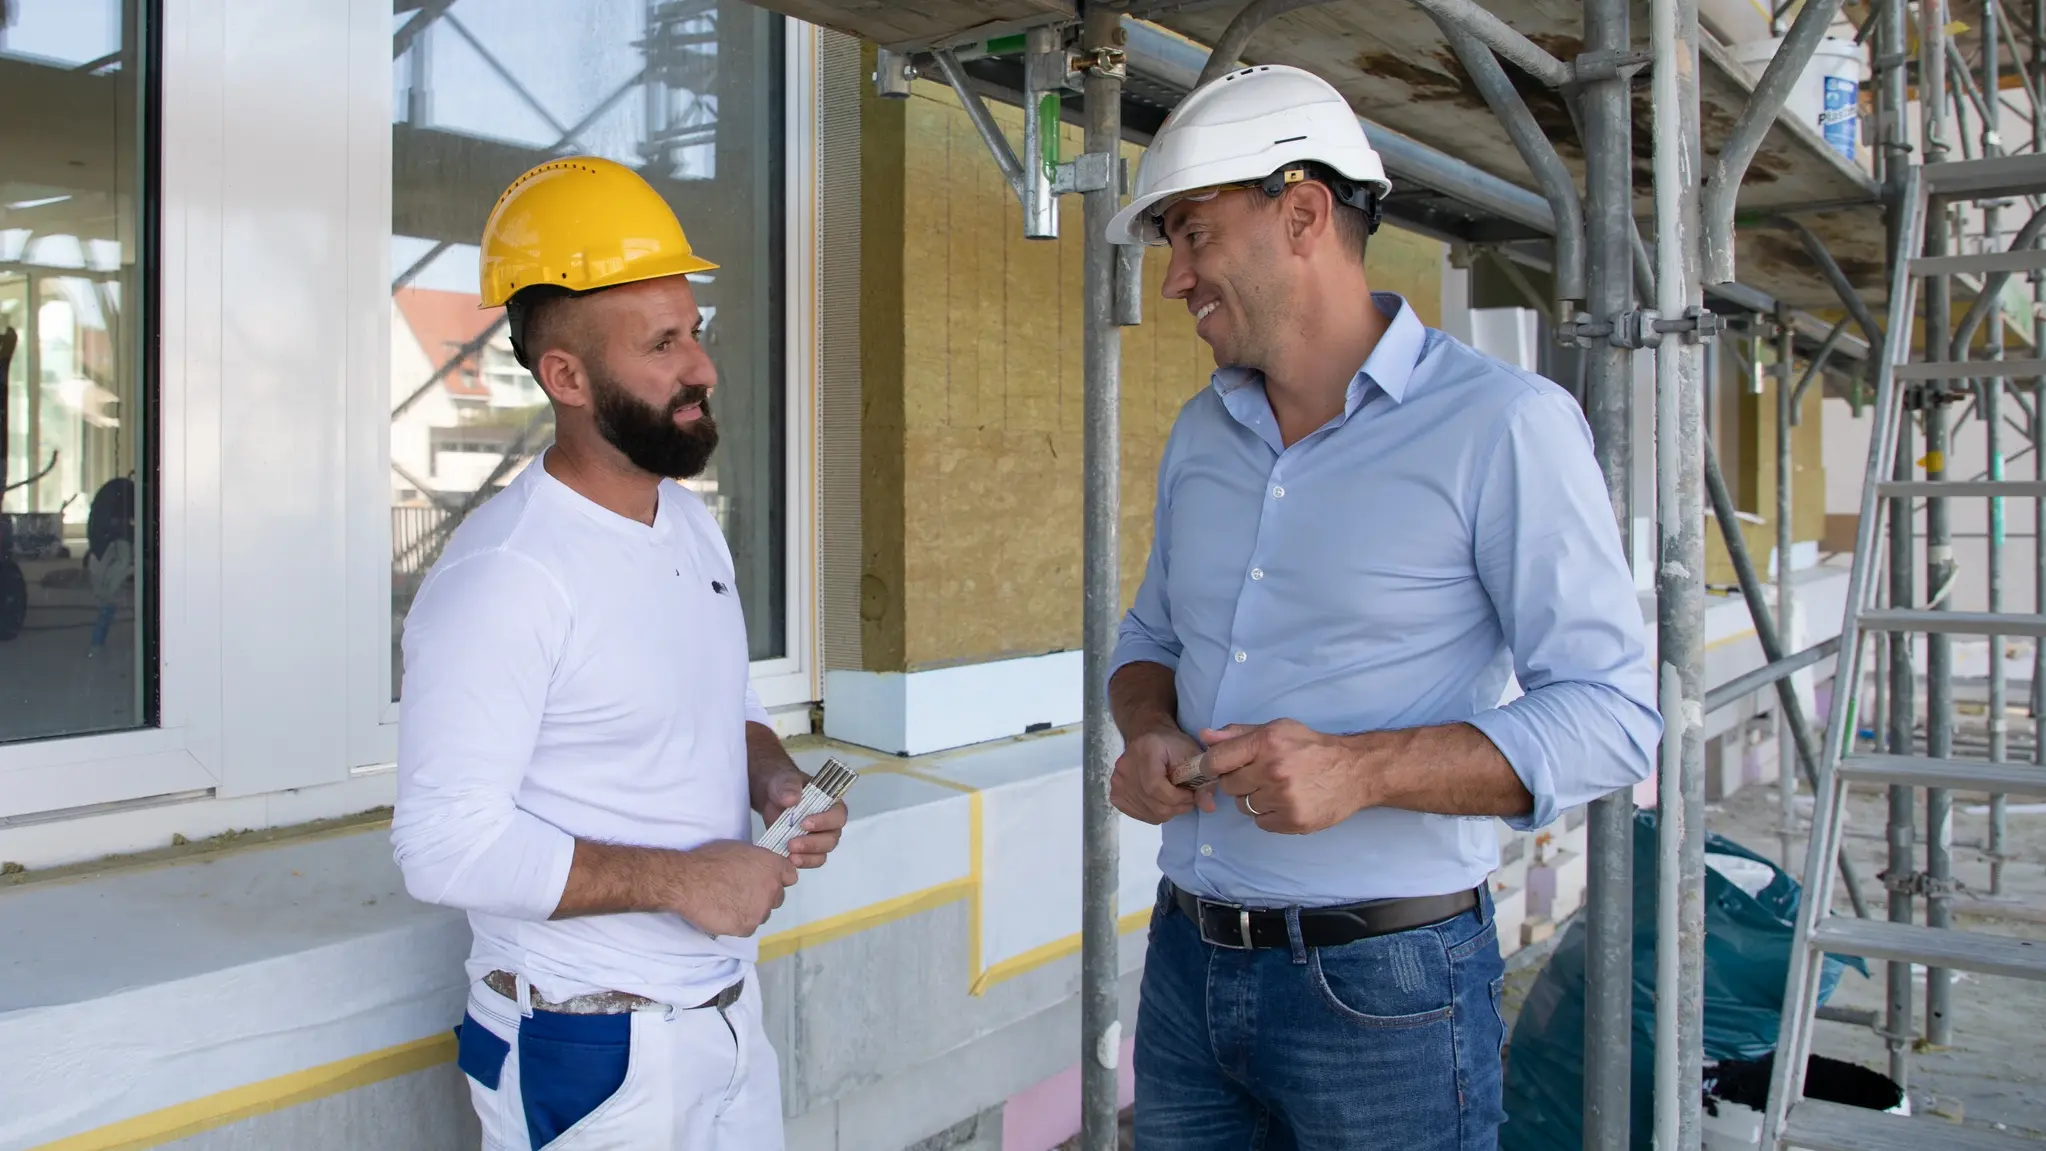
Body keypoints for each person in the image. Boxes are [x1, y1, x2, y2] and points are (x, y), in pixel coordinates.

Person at [1103, 65, 1660, 1149]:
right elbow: (1148, 644)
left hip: (1387, 988)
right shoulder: (1200, 434)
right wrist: (1149, 730)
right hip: (1186, 964)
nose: (1175, 278)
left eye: (1193, 234)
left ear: (1303, 212)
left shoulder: (1504, 424)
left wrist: (1360, 769)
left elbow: (1611, 715)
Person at [391, 156, 844, 1150]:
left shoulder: (686, 525)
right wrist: (680, 879)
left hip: (723, 1016)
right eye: (663, 344)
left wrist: (773, 776)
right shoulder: (507, 577)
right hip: (588, 1043)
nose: (703, 368)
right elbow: (442, 843)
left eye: (697, 332)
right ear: (566, 376)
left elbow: (721, 703)